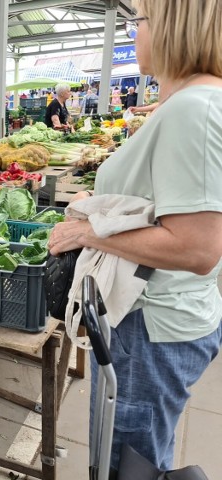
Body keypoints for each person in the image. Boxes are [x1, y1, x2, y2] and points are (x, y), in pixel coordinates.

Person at [49, 0, 222, 471]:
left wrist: (90, 233)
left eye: (137, 22)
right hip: (159, 324)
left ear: (169, 27)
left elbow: (197, 247)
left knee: (128, 465)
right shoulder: (192, 102)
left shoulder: (195, 109)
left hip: (152, 330)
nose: (133, 34)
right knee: (129, 456)